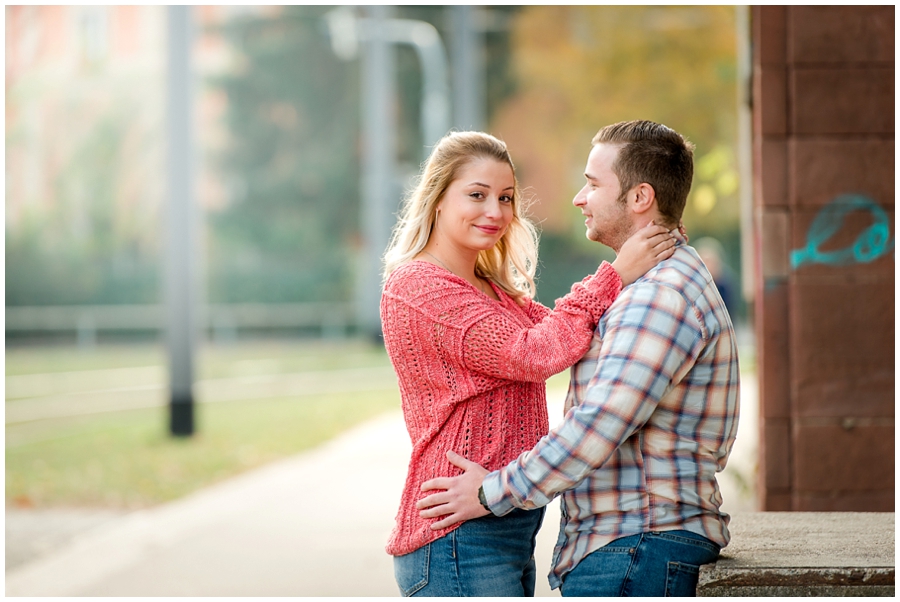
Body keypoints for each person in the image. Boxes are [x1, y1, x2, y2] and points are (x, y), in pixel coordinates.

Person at [416, 121, 741, 597]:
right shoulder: (653, 284)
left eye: (592, 184)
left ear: (639, 198)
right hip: (634, 544)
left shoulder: (658, 297)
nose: (578, 198)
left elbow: (597, 424)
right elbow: (551, 336)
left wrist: (493, 492)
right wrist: (614, 276)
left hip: (637, 543)